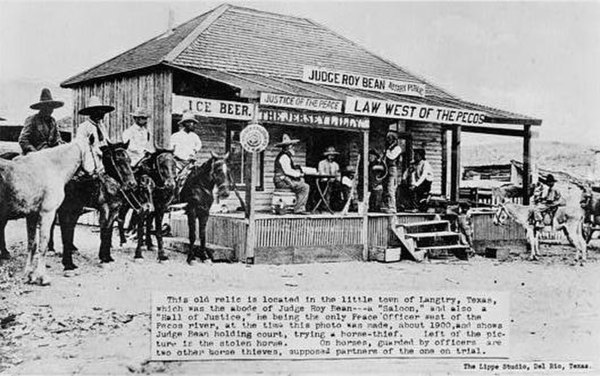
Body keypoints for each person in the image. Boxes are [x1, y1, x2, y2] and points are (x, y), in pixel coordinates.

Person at [18, 88, 64, 155]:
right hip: (34, 155)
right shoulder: (32, 120)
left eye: (51, 107)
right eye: (47, 107)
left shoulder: (53, 121)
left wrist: (61, 144)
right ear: (41, 108)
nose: (50, 110)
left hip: (49, 154)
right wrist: (34, 152)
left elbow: (57, 138)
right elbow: (23, 140)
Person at [76, 95, 115, 174]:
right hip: (90, 157)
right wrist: (89, 142)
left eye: (101, 112)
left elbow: (106, 140)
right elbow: (80, 145)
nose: (100, 115)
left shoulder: (101, 126)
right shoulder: (84, 127)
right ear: (91, 113)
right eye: (96, 112)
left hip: (103, 157)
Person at [273, 134, 310, 214]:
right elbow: (287, 171)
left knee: (301, 182)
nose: (293, 148)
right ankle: (299, 209)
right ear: (288, 147)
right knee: (305, 187)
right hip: (282, 181)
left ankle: (297, 206)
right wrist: (299, 174)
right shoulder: (284, 157)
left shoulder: (285, 156)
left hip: (283, 179)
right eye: (292, 146)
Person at [381, 131, 402, 213]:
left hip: (392, 169)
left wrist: (387, 151)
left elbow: (391, 156)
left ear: (394, 140)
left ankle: (393, 207)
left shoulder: (397, 148)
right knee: (385, 188)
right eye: (387, 139)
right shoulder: (388, 148)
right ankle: (387, 205)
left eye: (390, 139)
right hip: (386, 168)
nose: (388, 140)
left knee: (391, 188)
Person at [317, 146, 343, 211]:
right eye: (330, 155)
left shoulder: (336, 164)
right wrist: (327, 178)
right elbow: (321, 172)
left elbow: (338, 174)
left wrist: (337, 179)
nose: (331, 157)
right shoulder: (322, 163)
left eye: (333, 155)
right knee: (327, 187)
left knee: (340, 187)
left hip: (333, 181)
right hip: (324, 181)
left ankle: (336, 206)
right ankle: (325, 206)